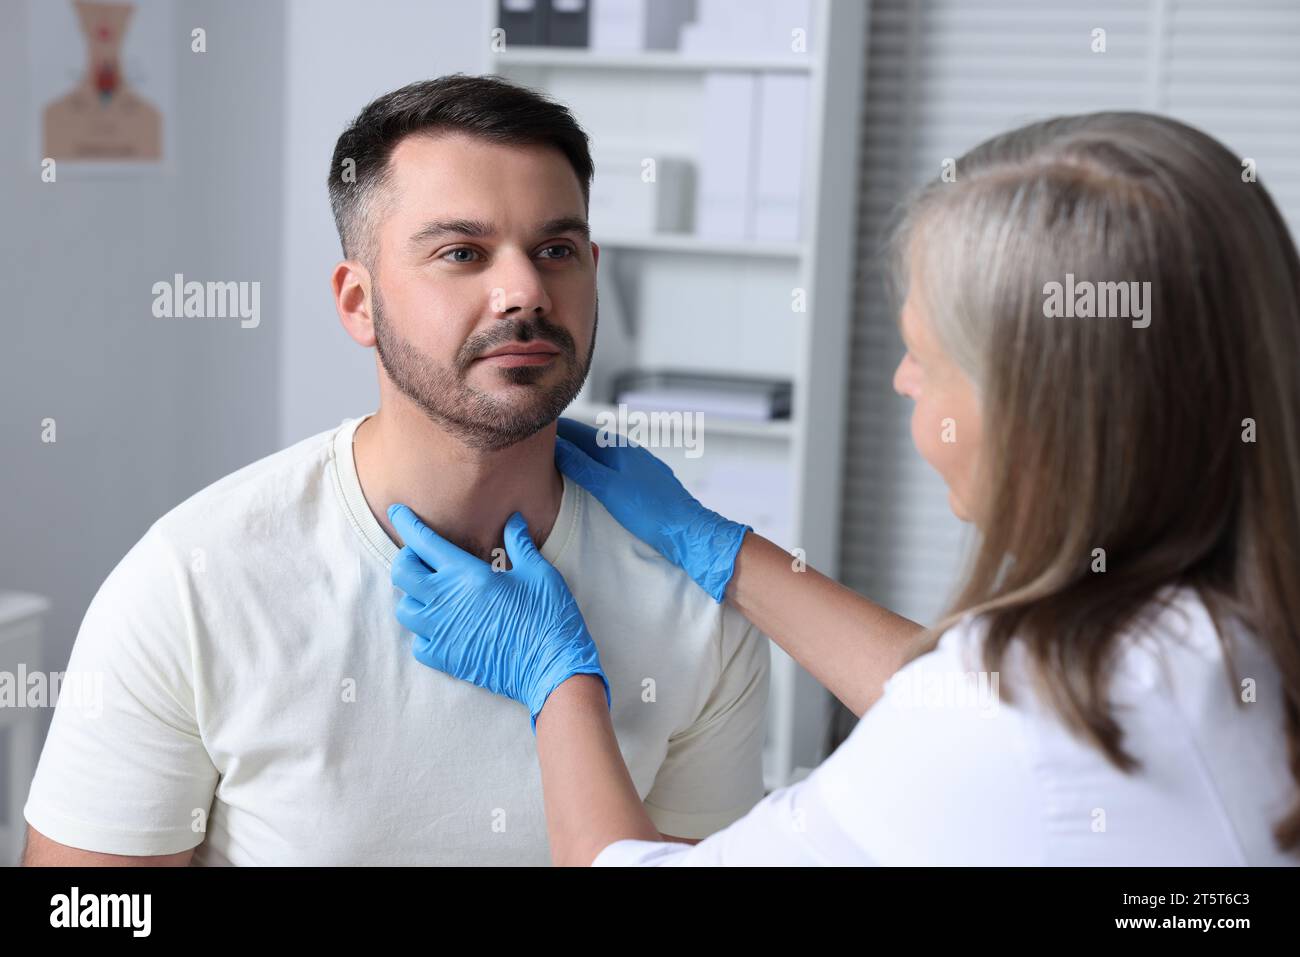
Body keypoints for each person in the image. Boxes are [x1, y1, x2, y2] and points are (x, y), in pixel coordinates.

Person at [390, 111, 1300, 865]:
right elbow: (981, 701)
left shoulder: (1021, 731)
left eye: (927, 357)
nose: (904, 381)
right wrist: (723, 548)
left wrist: (557, 680)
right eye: (462, 253)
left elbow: (993, 728)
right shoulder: (1218, 642)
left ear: (1045, 415)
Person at [22, 75, 772, 866]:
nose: (523, 290)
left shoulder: (700, 603)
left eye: (556, 250)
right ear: (358, 303)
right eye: (462, 252)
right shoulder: (192, 582)